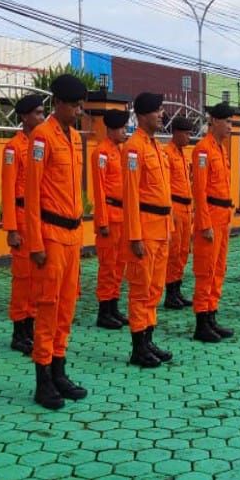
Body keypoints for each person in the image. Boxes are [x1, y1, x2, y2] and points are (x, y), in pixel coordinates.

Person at [26, 74, 90, 409]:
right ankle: (43, 379)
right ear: (59, 104)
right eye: (75, 105)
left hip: (72, 235)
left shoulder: (75, 137)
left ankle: (60, 369)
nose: (79, 111)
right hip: (49, 235)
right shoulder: (41, 138)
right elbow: (32, 193)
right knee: (48, 307)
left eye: (81, 105)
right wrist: (34, 243)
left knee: (67, 306)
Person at [123, 93, 174, 367]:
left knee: (154, 289)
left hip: (161, 228)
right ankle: (138, 347)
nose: (162, 114)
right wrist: (134, 235)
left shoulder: (156, 146)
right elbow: (131, 194)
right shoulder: (134, 148)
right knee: (141, 289)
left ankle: (148, 339)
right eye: (158, 110)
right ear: (143, 115)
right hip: (144, 229)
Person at [1, 94, 43, 356]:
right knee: (22, 279)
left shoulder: (41, 144)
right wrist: (11, 229)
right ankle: (20, 332)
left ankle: (32, 327)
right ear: (24, 117)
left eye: (42, 112)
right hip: (21, 215)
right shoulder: (12, 148)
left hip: (38, 217)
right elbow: (7, 188)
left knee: (38, 278)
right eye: (37, 113)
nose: (41, 117)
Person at [192, 102, 237, 343]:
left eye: (232, 122)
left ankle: (211, 315)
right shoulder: (203, 150)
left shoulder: (221, 149)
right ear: (214, 122)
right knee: (206, 271)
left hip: (222, 218)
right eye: (227, 122)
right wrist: (204, 223)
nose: (230, 126)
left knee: (219, 270)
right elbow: (199, 191)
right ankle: (201, 322)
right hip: (210, 218)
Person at [91, 108, 130, 330]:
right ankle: (104, 311)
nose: (126, 132)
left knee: (119, 266)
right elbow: (99, 190)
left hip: (122, 217)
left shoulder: (120, 151)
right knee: (108, 266)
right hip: (110, 216)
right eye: (123, 128)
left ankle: (113, 306)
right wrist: (102, 222)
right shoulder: (101, 153)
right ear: (112, 129)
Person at [164, 116, 195, 310]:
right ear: (176, 132)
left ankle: (177, 289)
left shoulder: (183, 154)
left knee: (184, 251)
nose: (189, 137)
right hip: (174, 207)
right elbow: (165, 186)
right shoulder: (167, 153)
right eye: (186, 133)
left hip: (185, 208)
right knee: (173, 252)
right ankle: (170, 293)